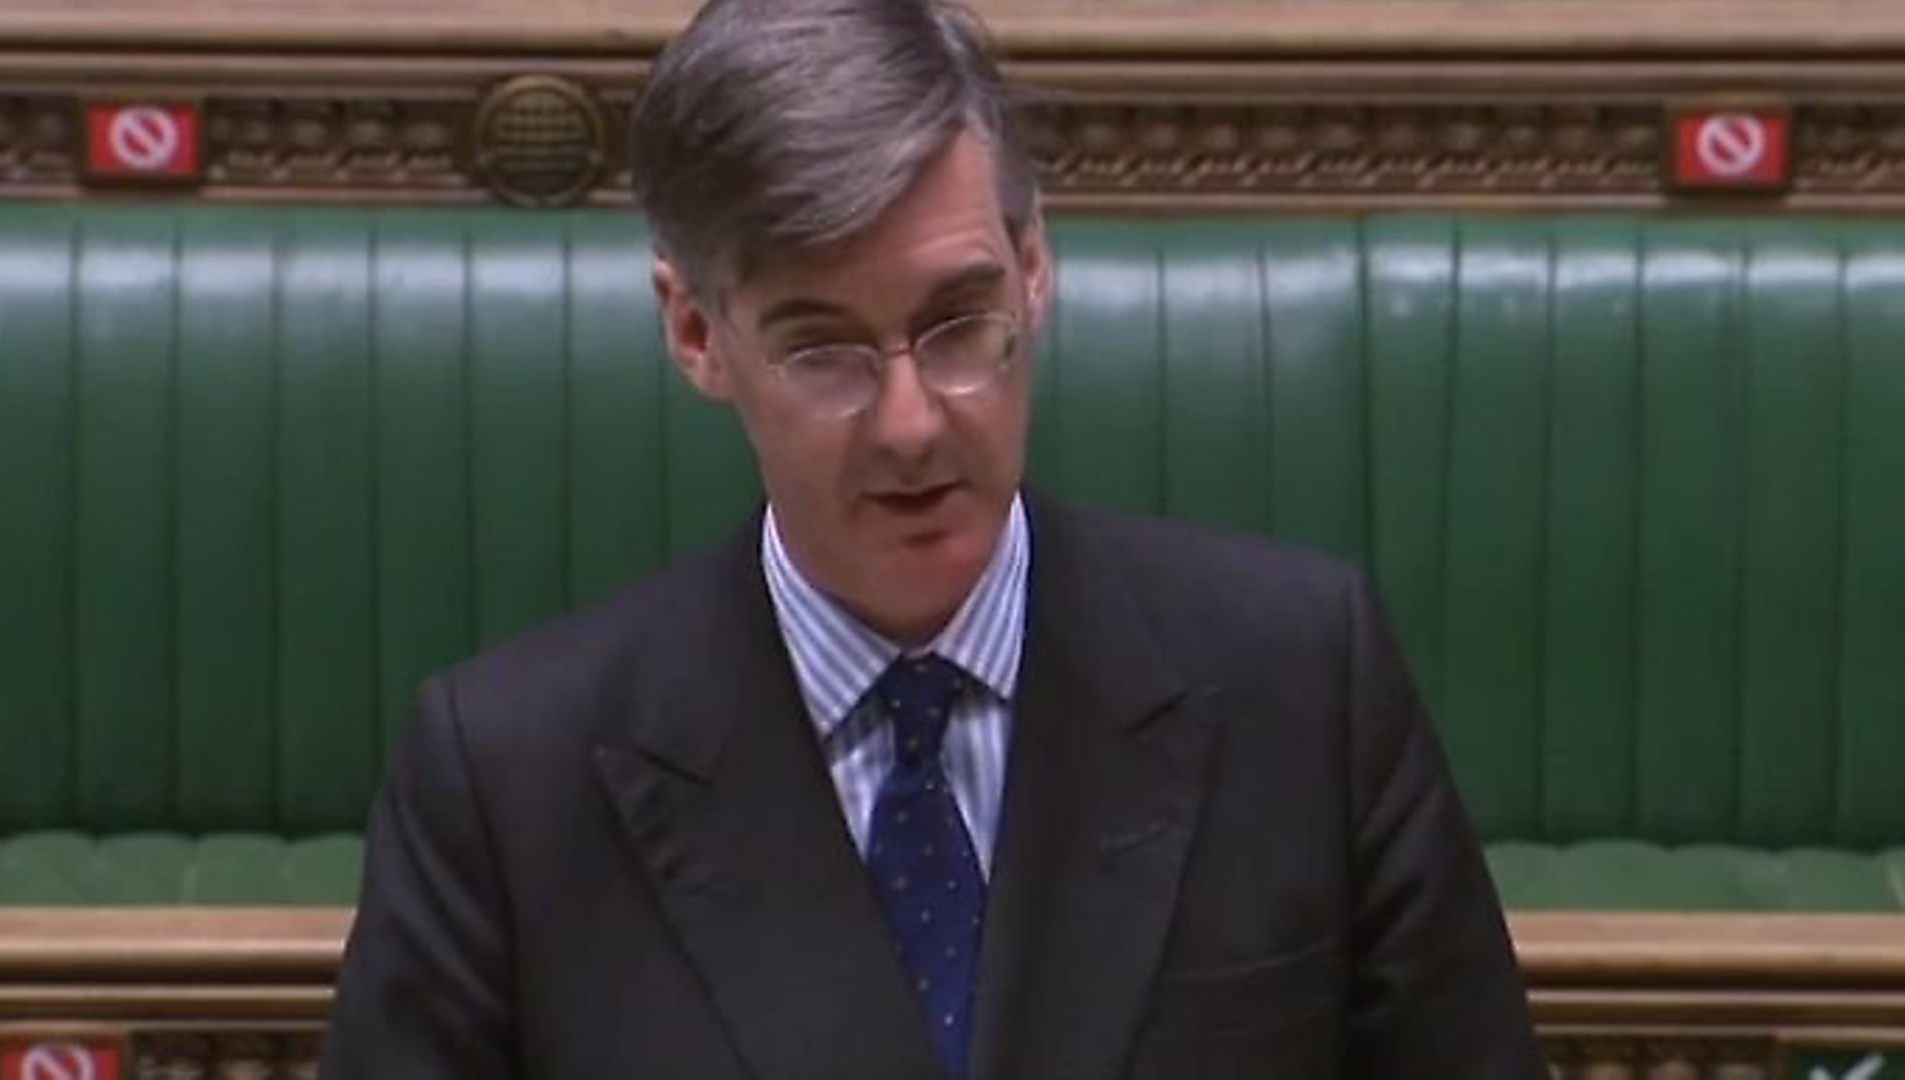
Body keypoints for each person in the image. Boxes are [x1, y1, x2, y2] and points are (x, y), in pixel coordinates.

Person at [322, 0, 1546, 1075]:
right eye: (823, 348)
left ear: (1035, 270)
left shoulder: (1301, 679)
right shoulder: (505, 781)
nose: (912, 425)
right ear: (695, 331)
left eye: (961, 323)